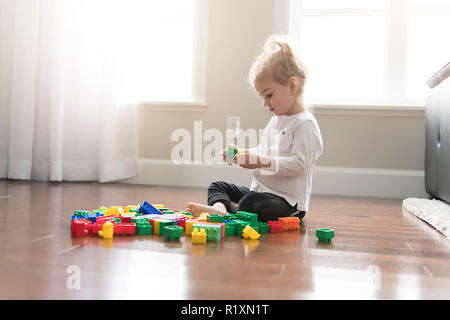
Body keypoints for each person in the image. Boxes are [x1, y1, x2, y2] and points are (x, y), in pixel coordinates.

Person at [186, 34, 323, 222]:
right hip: (261, 191)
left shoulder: (304, 123)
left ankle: (229, 213)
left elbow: (299, 165)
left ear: (292, 85)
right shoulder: (276, 120)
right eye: (263, 98)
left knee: (252, 203)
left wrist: (259, 161)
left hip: (288, 203)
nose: (265, 103)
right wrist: (242, 154)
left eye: (269, 95)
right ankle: (219, 208)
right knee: (218, 186)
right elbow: (262, 151)